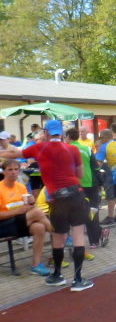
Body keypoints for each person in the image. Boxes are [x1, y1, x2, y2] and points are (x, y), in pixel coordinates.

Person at [1, 120, 93, 291]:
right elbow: (80, 174)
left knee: (58, 238)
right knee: (78, 236)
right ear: (61, 133)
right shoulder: (72, 149)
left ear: (46, 133)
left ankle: (57, 276)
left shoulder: (39, 148)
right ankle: (78, 280)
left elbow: (13, 153)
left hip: (57, 199)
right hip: (76, 194)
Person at [0, 159, 52, 276]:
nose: (13, 172)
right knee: (37, 213)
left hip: (19, 222)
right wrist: (17, 211)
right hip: (4, 225)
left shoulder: (21, 187)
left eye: (16, 169)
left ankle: (36, 265)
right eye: (10, 170)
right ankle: (58, 235)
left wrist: (31, 202)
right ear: (4, 172)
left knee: (39, 227)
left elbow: (26, 207)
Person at [65, 128, 108, 249]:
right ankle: (94, 241)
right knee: (92, 211)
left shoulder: (66, 149)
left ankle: (74, 243)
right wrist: (101, 182)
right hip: (90, 184)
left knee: (74, 213)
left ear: (67, 137)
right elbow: (95, 167)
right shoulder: (87, 149)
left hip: (74, 185)